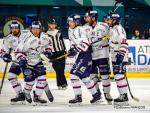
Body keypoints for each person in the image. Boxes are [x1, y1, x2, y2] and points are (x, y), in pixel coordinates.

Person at [14, 21, 50, 105]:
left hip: (37, 62)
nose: (35, 30)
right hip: (27, 62)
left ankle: (37, 97)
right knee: (30, 82)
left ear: (40, 29)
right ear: (31, 28)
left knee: (42, 78)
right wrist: (22, 59)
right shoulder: (26, 37)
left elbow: (48, 46)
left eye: (37, 28)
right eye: (33, 28)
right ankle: (26, 93)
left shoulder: (44, 37)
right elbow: (17, 51)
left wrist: (48, 52)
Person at [67, 14, 101, 105]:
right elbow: (74, 44)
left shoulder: (79, 30)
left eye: (71, 21)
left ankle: (78, 97)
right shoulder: (71, 30)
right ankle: (96, 95)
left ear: (76, 22)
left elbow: (85, 43)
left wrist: (76, 50)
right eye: (69, 21)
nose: (69, 23)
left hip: (85, 55)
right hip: (82, 55)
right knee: (85, 77)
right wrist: (71, 50)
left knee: (73, 74)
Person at [84, 10, 113, 104]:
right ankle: (98, 94)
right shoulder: (85, 28)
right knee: (92, 76)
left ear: (93, 18)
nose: (86, 19)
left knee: (105, 76)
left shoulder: (104, 26)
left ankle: (107, 93)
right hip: (91, 55)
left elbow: (112, 36)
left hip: (103, 54)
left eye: (88, 17)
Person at [0, 21, 26, 104]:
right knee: (11, 76)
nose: (14, 29)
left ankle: (34, 95)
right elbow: (3, 51)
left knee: (29, 79)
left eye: (16, 28)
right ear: (11, 29)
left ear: (19, 28)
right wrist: (4, 56)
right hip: (18, 61)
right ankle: (20, 95)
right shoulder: (8, 39)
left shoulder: (26, 35)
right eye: (12, 28)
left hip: (29, 60)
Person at [107, 13, 129, 105]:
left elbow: (124, 42)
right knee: (117, 76)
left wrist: (121, 54)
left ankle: (124, 96)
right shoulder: (113, 28)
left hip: (120, 56)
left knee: (119, 76)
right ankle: (122, 95)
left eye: (110, 20)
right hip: (114, 56)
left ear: (114, 20)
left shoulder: (118, 28)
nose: (108, 21)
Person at [46, 18, 68, 90]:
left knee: (61, 69)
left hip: (61, 52)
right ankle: (63, 83)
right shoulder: (46, 34)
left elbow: (62, 42)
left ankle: (61, 84)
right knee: (58, 69)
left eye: (54, 24)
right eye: (51, 24)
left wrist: (65, 51)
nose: (53, 25)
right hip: (53, 54)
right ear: (49, 24)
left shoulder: (59, 32)